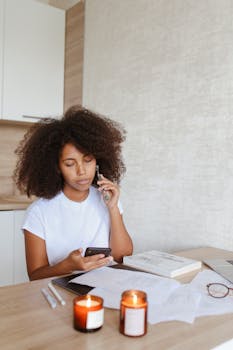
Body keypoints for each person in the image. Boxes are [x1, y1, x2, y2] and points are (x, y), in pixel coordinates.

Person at [14, 105, 133, 280]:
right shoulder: (38, 212)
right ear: (56, 167)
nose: (81, 171)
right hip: (58, 293)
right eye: (70, 164)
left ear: (98, 161)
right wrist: (67, 266)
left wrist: (113, 209)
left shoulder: (107, 199)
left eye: (88, 160)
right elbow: (35, 275)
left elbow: (121, 256)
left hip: (104, 287)